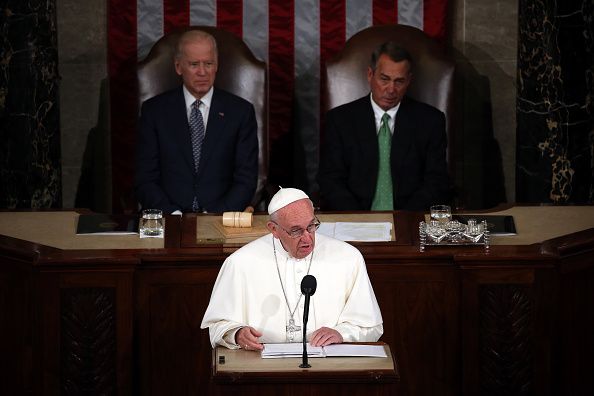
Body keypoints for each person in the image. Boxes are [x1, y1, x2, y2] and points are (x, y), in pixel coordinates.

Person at [201, 187, 383, 350]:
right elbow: (217, 326)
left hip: (328, 368)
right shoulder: (240, 262)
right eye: (296, 231)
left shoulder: (348, 257)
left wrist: (342, 333)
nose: (307, 239)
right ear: (273, 229)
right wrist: (237, 334)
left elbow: (371, 326)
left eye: (311, 226)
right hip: (263, 369)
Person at [135, 30, 258, 214]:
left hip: (220, 219)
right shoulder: (154, 111)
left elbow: (246, 179)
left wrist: (215, 216)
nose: (202, 72)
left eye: (208, 64)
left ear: (216, 66)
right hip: (168, 219)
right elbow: (145, 177)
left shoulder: (240, 112)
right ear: (178, 67)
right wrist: (172, 214)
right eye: (194, 64)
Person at [318, 41, 450, 211]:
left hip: (409, 218)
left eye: (399, 81)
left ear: (409, 81)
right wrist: (358, 219)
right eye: (384, 79)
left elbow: (436, 180)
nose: (391, 89)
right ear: (370, 74)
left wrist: (405, 218)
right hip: (354, 217)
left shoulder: (431, 121)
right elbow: (330, 179)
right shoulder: (340, 120)